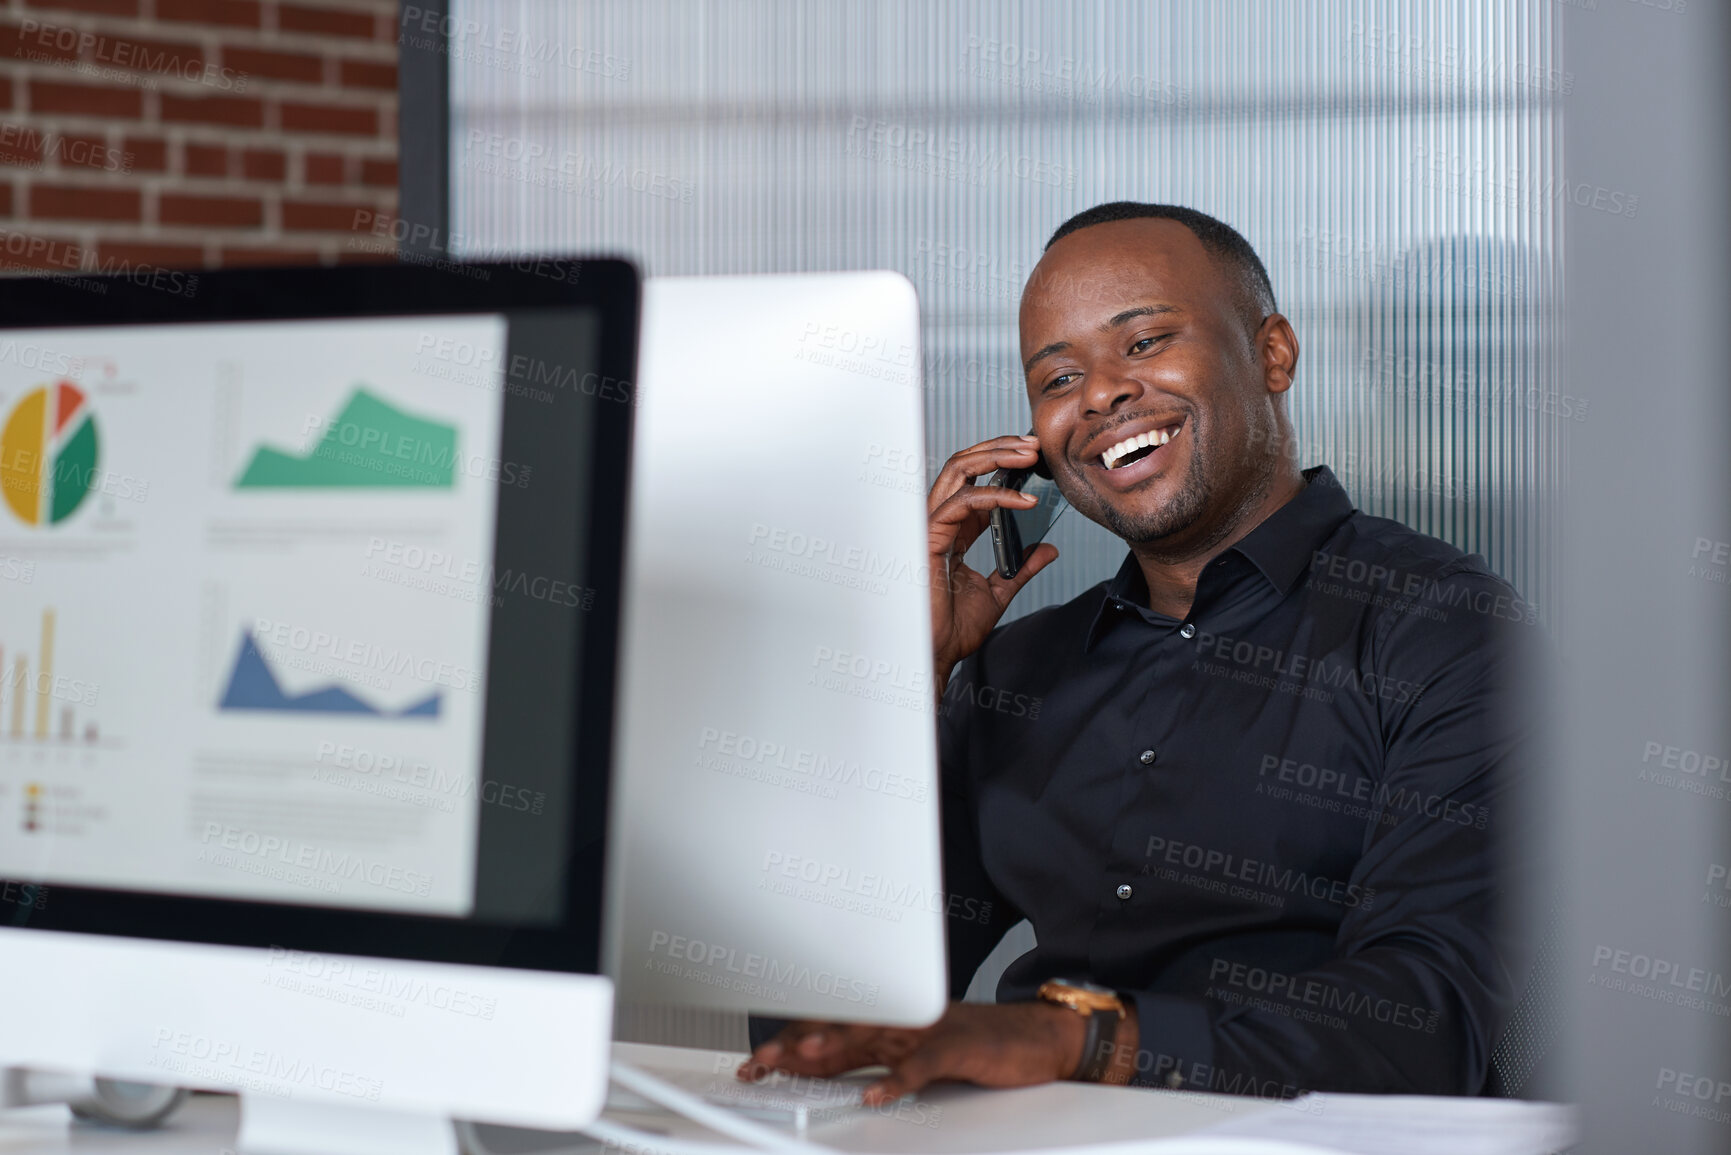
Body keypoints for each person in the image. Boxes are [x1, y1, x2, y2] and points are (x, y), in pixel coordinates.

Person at [740, 202, 1532, 1103]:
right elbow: (807, 1035)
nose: (1101, 395)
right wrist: (905, 680)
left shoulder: (1442, 624)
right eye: (1059, 376)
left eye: (1146, 341)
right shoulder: (1017, 671)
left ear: (1272, 354)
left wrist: (1072, 1041)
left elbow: (1425, 1031)